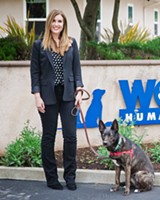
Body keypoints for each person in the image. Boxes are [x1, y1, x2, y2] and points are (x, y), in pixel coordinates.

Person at [30, 9, 84, 191]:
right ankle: (51, 178)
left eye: (60, 21)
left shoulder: (71, 43)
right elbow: (35, 73)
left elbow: (77, 70)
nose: (56, 24)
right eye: (54, 21)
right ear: (49, 23)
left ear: (64, 24)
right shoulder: (39, 45)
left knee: (70, 136)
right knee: (48, 137)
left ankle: (70, 177)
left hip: (69, 95)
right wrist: (37, 96)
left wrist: (79, 91)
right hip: (48, 96)